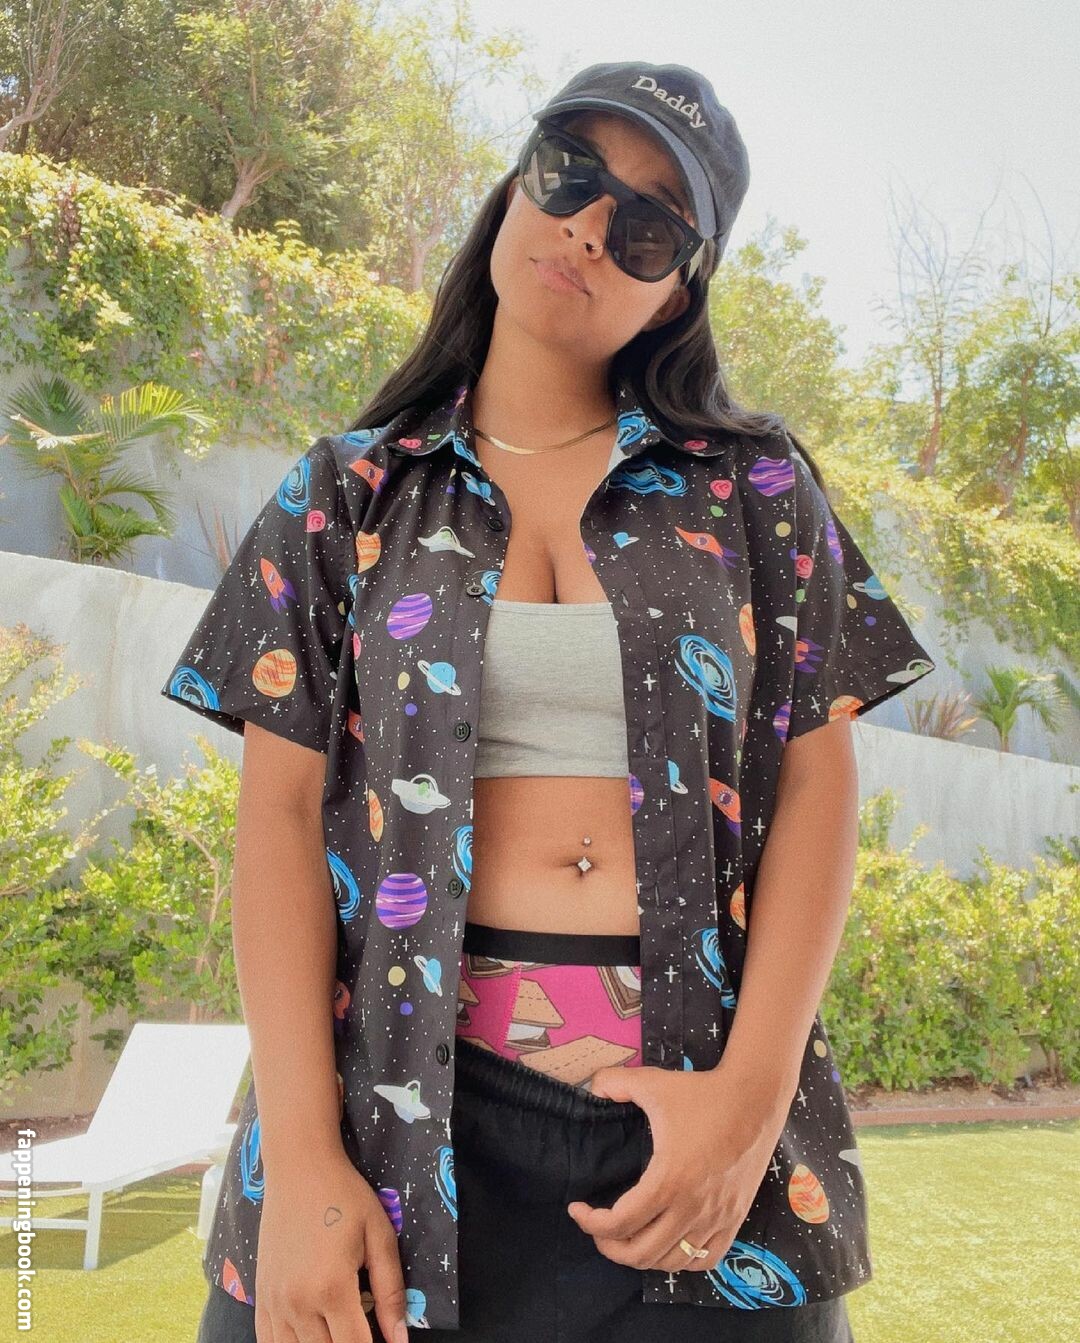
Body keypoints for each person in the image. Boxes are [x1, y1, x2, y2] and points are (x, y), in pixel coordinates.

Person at [165, 60, 936, 1343]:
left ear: (679, 287)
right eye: (569, 172)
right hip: (386, 1123)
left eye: (647, 228)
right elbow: (278, 826)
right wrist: (301, 1157)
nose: (588, 227)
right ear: (516, 184)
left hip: (695, 1126)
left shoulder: (755, 490)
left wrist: (750, 1105)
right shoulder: (346, 491)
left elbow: (818, 787)